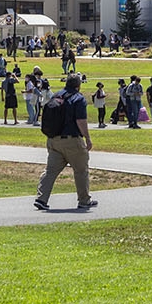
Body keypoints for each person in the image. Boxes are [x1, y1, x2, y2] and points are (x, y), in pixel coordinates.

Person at [34, 78, 97, 211]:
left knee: (50, 171)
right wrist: (88, 138)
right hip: (72, 140)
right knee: (81, 170)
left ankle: (41, 198)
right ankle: (84, 200)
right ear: (78, 85)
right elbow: (81, 121)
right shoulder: (78, 98)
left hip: (53, 140)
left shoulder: (56, 95)